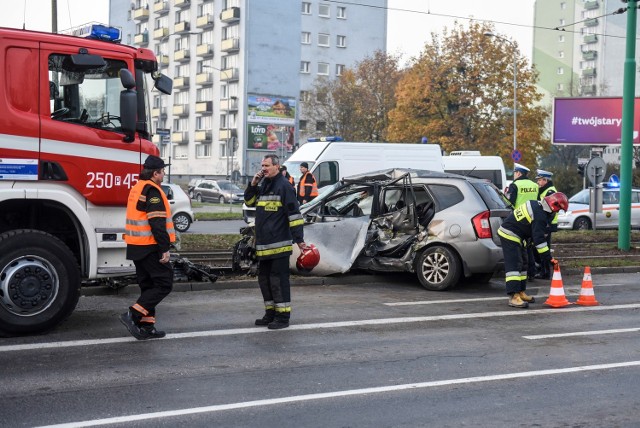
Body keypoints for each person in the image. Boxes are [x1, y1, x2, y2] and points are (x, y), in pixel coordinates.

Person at [245, 154, 306, 329]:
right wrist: (254, 184)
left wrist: (299, 240)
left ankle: (283, 317)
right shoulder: (264, 184)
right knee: (264, 280)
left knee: (278, 281)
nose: (263, 168)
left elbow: (294, 216)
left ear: (277, 167)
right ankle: (270, 313)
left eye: (267, 165)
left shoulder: (284, 186)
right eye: (262, 165)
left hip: (279, 246)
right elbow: (249, 201)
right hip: (264, 246)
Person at [120, 155, 176, 340]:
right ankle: (133, 314)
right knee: (164, 283)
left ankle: (147, 326)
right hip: (149, 246)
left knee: (148, 286)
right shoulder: (152, 190)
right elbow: (157, 223)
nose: (164, 173)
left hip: (136, 246)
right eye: (162, 171)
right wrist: (164, 248)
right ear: (155, 173)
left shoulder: (138, 187)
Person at [498, 192, 568, 308]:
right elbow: (539, 242)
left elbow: (528, 227)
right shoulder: (540, 215)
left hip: (519, 236)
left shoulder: (536, 205)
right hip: (509, 234)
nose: (557, 213)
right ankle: (513, 297)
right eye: (558, 209)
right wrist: (549, 259)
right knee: (514, 265)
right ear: (554, 205)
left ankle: (520, 292)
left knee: (524, 264)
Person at [505, 163, 540, 280]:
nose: (514, 175)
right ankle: (532, 272)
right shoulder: (535, 185)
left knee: (520, 248)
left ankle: (521, 272)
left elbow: (509, 203)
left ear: (519, 173)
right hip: (532, 220)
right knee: (529, 247)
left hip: (518, 220)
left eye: (515, 173)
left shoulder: (515, 185)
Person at [535, 169, 559, 279]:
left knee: (544, 248)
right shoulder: (546, 190)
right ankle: (543, 271)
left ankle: (545, 273)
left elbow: (550, 211)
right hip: (546, 224)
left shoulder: (550, 192)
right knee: (543, 248)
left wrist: (546, 224)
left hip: (547, 225)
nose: (538, 182)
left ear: (545, 180)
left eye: (539, 180)